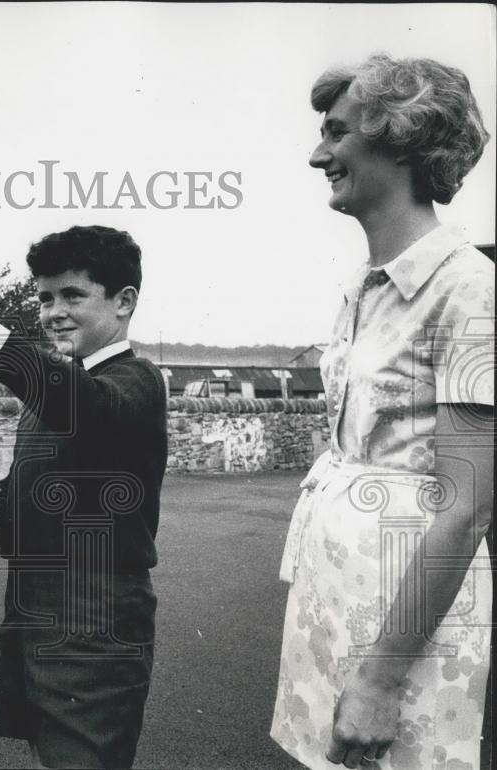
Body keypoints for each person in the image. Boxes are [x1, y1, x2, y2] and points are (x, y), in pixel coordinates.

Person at [271, 54, 494, 770]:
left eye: (335, 133)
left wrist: (380, 676)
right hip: (333, 593)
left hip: (402, 618)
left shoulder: (469, 290)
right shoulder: (364, 287)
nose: (317, 154)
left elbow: (465, 510)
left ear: (397, 138)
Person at [0, 225, 168, 769]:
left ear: (124, 302)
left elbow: (84, 408)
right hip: (35, 607)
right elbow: (30, 484)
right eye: (45, 297)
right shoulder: (52, 396)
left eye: (73, 294)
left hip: (95, 613)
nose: (53, 311)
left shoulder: (135, 382)